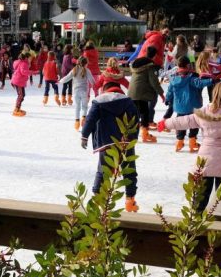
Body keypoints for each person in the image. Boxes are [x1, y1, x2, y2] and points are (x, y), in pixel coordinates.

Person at [158, 81, 221, 212]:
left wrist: (165, 123)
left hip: (205, 162)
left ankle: (195, 223)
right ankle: (220, 222)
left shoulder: (204, 113)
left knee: (200, 199)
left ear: (215, 94)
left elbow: (184, 121)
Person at [80, 79, 140, 213]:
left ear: (105, 89)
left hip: (106, 142)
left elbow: (90, 120)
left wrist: (84, 136)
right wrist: (133, 138)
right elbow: (136, 120)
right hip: (125, 142)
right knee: (129, 170)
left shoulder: (99, 101)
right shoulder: (128, 102)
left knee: (103, 171)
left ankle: (97, 198)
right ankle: (130, 200)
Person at [163, 57, 212, 152]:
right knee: (194, 123)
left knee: (181, 124)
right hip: (192, 105)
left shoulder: (173, 78)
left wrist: (167, 99)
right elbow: (199, 83)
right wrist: (211, 81)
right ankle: (192, 141)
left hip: (180, 106)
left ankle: (179, 142)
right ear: (188, 65)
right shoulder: (191, 77)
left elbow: (170, 90)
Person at [128, 48, 163, 143]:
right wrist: (161, 93)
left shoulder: (137, 64)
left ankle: (130, 134)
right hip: (141, 93)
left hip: (132, 92)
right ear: (155, 55)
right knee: (144, 112)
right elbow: (154, 82)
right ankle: (144, 133)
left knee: (135, 113)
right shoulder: (150, 66)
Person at [65, 56, 96, 131]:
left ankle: (77, 122)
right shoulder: (87, 70)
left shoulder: (74, 69)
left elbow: (67, 77)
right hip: (84, 91)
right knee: (84, 107)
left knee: (77, 107)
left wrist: (60, 81)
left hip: (76, 92)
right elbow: (92, 81)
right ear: (86, 64)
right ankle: (83, 119)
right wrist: (95, 85)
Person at [10, 52, 31, 117]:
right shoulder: (24, 63)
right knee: (21, 95)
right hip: (18, 81)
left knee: (22, 95)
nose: (31, 59)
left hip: (18, 81)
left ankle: (18, 108)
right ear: (26, 58)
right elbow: (23, 72)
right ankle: (16, 109)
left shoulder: (22, 63)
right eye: (30, 58)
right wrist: (33, 72)